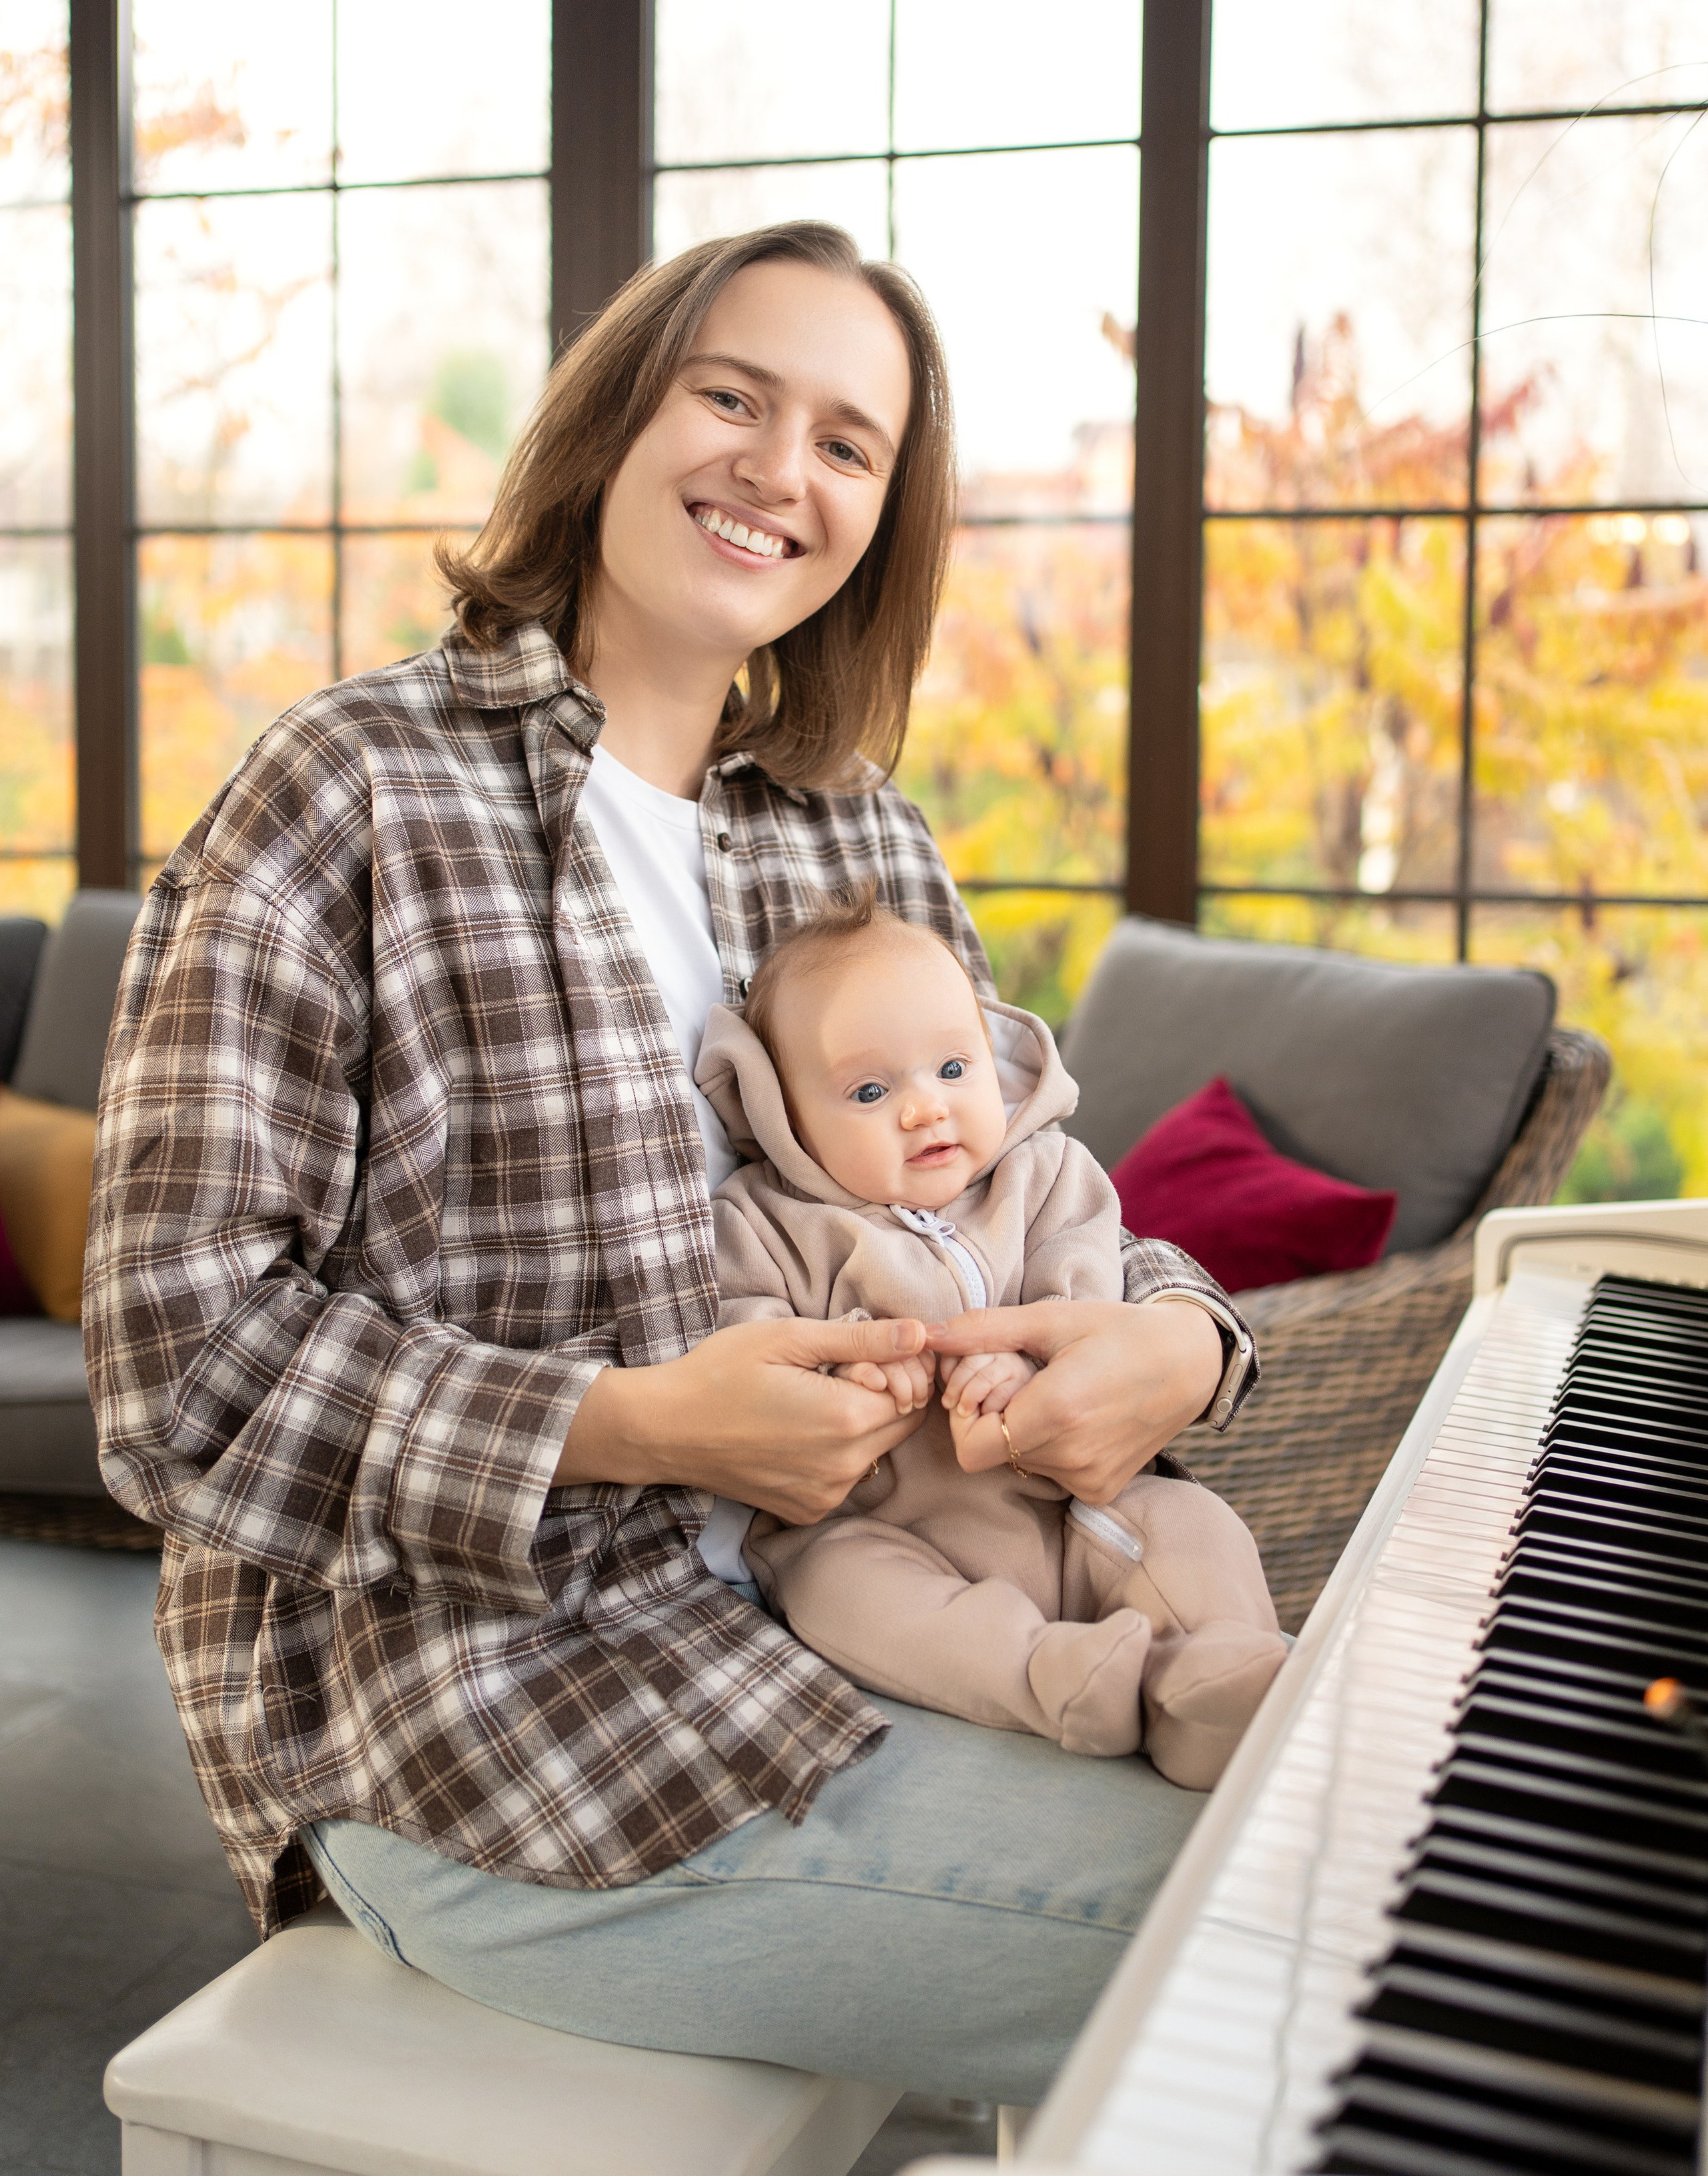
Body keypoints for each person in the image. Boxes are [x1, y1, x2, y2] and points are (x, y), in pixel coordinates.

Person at [84, 222, 1258, 2107]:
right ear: (618, 419)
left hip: (918, 1620)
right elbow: (174, 1378)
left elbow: (1043, 1196)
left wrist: (1184, 1353)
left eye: (850, 443)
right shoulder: (347, 792)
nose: (780, 470)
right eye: (732, 395)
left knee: (1352, 1844)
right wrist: (637, 1425)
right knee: (1297, 1956)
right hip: (509, 1737)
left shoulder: (850, 837)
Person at [697, 890, 1286, 1788]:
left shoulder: (1044, 1175)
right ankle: (1053, 1679)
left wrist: (1035, 1359)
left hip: (1071, 1498)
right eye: (869, 1090)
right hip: (887, 1524)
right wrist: (853, 1365)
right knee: (838, 1594)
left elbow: (1091, 1274)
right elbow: (745, 1330)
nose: (926, 1110)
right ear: (783, 1113)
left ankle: (1216, 1677)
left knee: (1192, 1524)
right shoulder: (769, 1223)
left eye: (953, 1068)